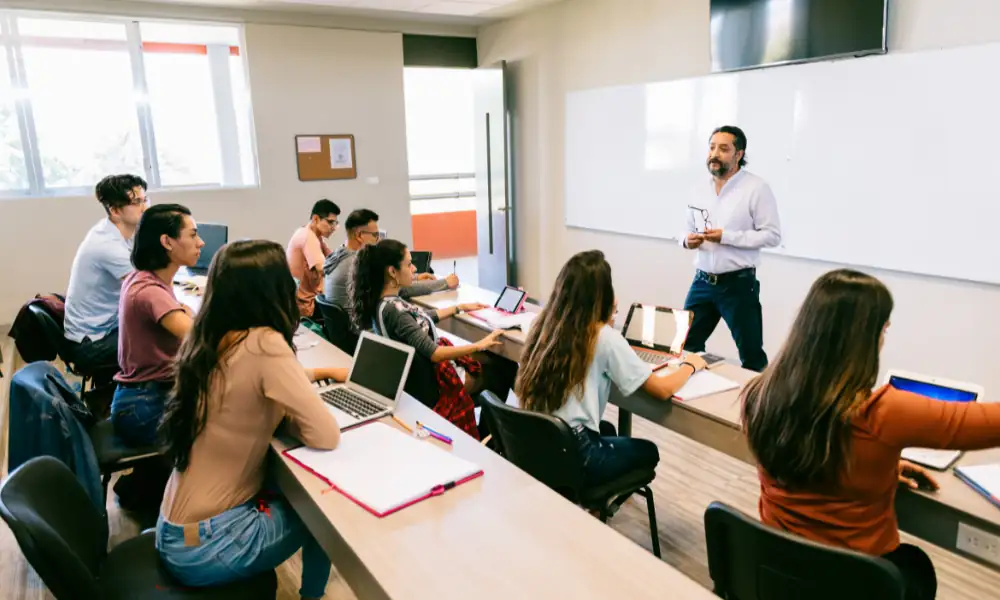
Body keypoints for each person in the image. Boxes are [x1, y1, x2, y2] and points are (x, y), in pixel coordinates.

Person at [741, 269, 1000, 600]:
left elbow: (815, 458)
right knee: (914, 566)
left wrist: (882, 467)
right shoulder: (884, 413)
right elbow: (987, 423)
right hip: (853, 585)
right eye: (884, 328)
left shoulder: (759, 395)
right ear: (865, 336)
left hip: (778, 572)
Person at [157, 240, 347, 600]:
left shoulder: (208, 336)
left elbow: (247, 386)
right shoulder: (266, 343)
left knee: (287, 485)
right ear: (273, 289)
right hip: (207, 545)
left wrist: (309, 383)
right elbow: (325, 435)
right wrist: (291, 415)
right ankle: (313, 597)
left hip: (175, 529)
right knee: (322, 512)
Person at [516, 250, 706, 487]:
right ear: (602, 295)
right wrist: (691, 365)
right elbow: (662, 390)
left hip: (539, 443)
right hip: (577, 452)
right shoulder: (603, 337)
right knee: (648, 452)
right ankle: (594, 508)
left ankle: (591, 500)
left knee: (607, 429)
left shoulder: (543, 325)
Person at [348, 239, 504, 438]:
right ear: (392, 272)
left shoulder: (383, 303)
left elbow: (417, 321)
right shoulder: (395, 311)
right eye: (408, 264)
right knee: (501, 370)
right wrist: (480, 344)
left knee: (489, 360)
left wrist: (459, 308)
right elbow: (436, 353)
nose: (414, 269)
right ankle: (484, 436)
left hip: (417, 381)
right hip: (435, 383)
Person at [680, 125, 781, 372]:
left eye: (724, 149)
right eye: (712, 147)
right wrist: (686, 240)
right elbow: (684, 229)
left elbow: (772, 236)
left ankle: (757, 408)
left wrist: (727, 237)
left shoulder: (756, 188)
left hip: (737, 285)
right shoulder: (698, 188)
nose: (715, 154)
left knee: (751, 355)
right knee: (684, 346)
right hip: (702, 282)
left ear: (738, 154)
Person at [112, 204, 203, 447]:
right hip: (145, 407)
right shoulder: (151, 292)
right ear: (167, 242)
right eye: (193, 235)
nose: (201, 243)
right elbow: (202, 339)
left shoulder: (143, 278)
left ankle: (145, 480)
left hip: (141, 398)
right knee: (236, 421)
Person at [64, 174, 148, 378]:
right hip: (92, 345)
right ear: (115, 210)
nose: (145, 207)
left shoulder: (118, 231)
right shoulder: (107, 245)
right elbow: (146, 289)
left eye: (145, 199)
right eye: (137, 202)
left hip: (106, 327)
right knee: (165, 340)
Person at [323, 208, 458, 309]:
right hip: (361, 333)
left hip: (346, 331)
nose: (378, 240)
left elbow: (388, 281)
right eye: (375, 235)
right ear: (359, 235)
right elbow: (402, 289)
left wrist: (415, 277)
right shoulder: (356, 264)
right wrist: (445, 282)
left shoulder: (339, 254)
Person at [287, 199, 340, 319]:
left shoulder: (313, 234)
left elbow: (333, 258)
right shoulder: (308, 237)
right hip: (306, 307)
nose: (333, 227)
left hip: (303, 302)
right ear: (316, 219)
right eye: (330, 222)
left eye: (335, 223)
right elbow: (323, 268)